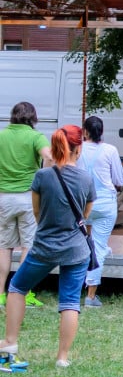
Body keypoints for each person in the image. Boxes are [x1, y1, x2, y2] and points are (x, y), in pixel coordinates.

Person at [0, 125, 94, 368]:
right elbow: (85, 214)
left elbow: (36, 212)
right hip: (76, 248)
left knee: (17, 286)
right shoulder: (85, 178)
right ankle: (62, 358)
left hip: (44, 246)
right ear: (78, 148)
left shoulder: (42, 176)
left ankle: (10, 341)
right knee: (70, 302)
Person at [0, 102, 52, 309]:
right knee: (28, 246)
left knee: (4, 247)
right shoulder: (35, 136)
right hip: (28, 196)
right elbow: (48, 157)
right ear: (33, 118)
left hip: (3, 196)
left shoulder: (2, 135)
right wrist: (42, 178)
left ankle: (0, 294)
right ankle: (23, 292)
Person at [76, 116, 123, 308]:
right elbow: (119, 179)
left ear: (85, 132)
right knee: (98, 248)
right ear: (102, 131)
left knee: (78, 244)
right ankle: (90, 296)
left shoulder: (78, 149)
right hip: (105, 203)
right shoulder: (110, 150)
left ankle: (73, 287)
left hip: (81, 203)